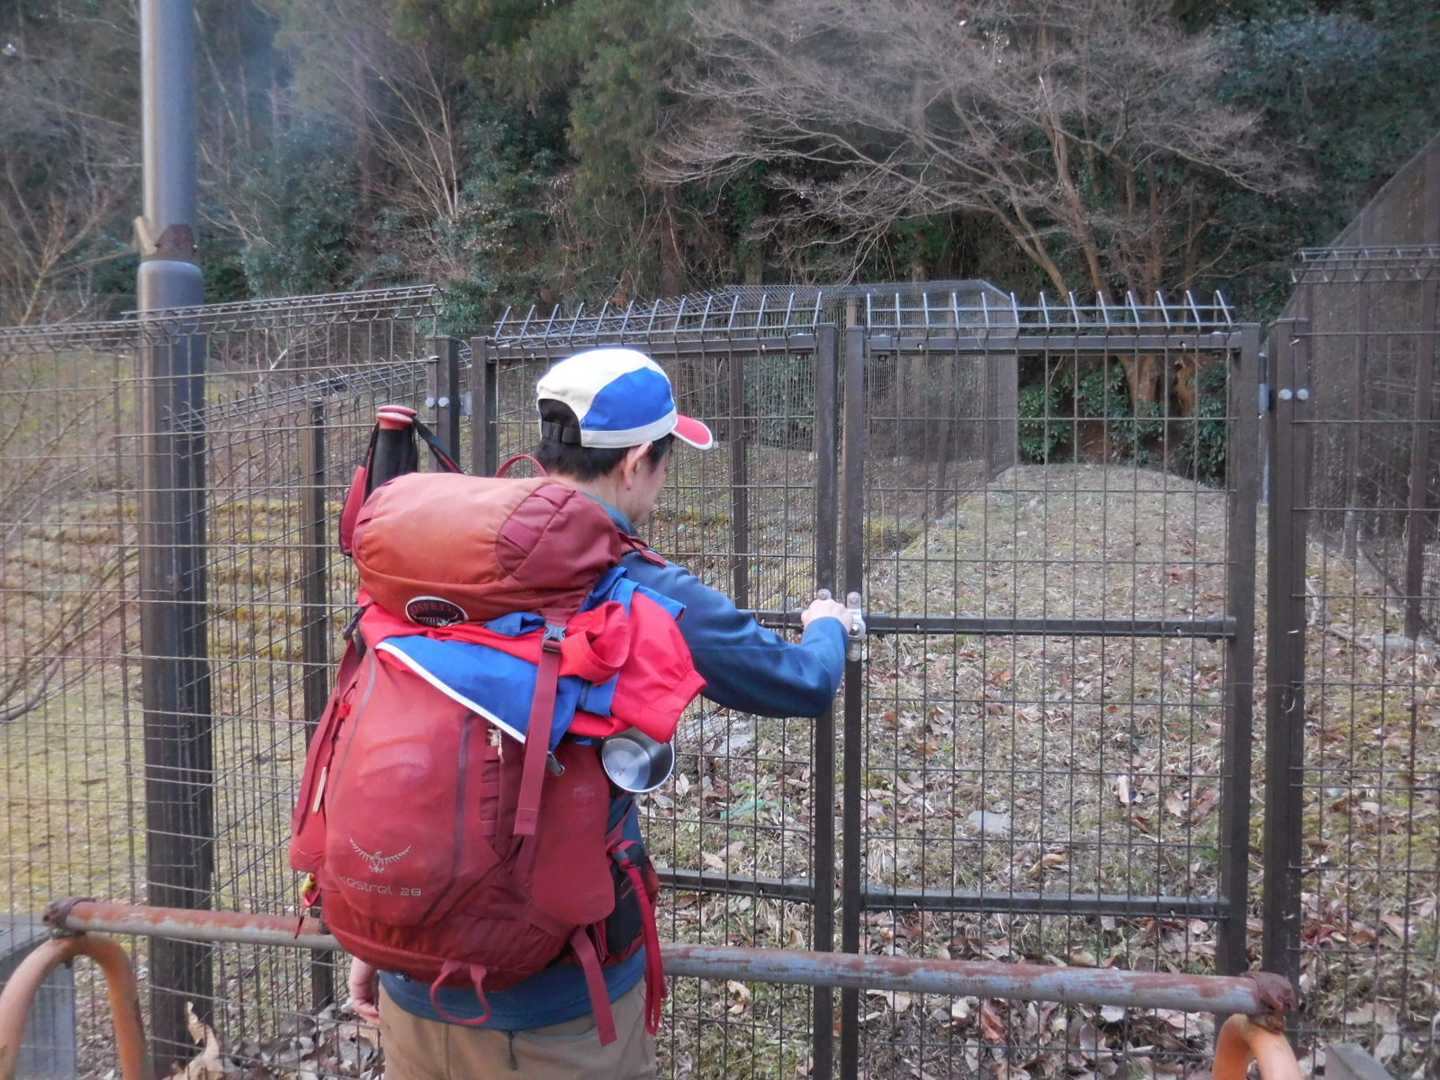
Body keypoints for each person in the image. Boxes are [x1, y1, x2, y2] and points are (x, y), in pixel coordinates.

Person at [345, 346, 852, 1079]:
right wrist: (828, 626)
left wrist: (384, 933)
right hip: (562, 1010)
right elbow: (802, 683)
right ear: (637, 461)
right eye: (665, 462)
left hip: (414, 978)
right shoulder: (639, 588)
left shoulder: (447, 563)